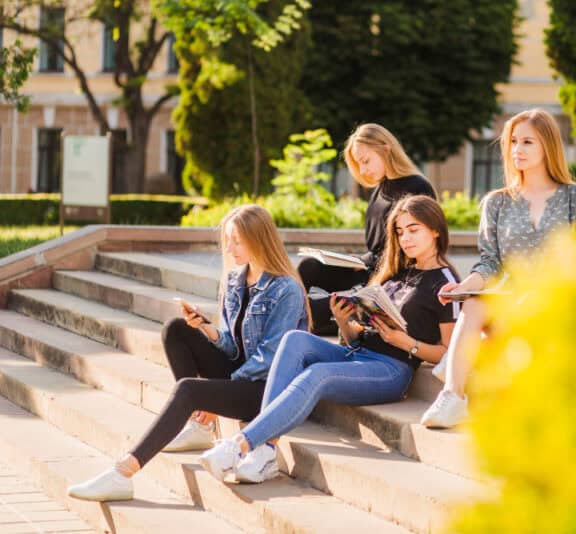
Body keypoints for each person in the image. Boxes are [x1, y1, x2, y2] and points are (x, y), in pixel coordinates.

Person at [197, 195, 459, 481]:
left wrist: (404, 342)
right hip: (360, 354)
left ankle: (244, 446)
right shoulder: (395, 273)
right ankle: (264, 452)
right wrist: (345, 322)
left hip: (391, 370)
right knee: (295, 339)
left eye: (414, 229)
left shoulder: (445, 282)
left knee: (317, 374)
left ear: (435, 229)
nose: (405, 238)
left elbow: (449, 352)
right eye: (400, 231)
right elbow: (356, 338)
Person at [67, 204, 310, 501]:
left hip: (266, 392)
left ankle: (123, 472)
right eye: (227, 240)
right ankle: (200, 424)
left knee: (189, 390)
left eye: (237, 241)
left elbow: (269, 360)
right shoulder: (236, 280)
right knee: (176, 329)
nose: (230, 248)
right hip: (241, 376)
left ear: (259, 239)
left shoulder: (286, 289)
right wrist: (208, 329)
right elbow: (235, 348)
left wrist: (218, 388)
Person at [421, 108, 576, 429]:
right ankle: (452, 397)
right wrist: (463, 286)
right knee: (472, 302)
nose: (517, 149)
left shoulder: (575, 198)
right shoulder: (497, 202)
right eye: (513, 141)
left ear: (548, 146)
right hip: (508, 304)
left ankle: (460, 356)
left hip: (555, 302)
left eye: (527, 141)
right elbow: (489, 262)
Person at [298, 123, 436, 335]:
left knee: (316, 307)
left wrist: (370, 268)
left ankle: (331, 322)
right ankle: (325, 321)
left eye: (366, 161)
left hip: (391, 279)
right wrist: (358, 260)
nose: (363, 171)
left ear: (385, 149)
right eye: (358, 164)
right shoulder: (380, 188)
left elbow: (414, 252)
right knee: (309, 267)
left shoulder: (416, 188)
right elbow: (377, 248)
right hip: (368, 270)